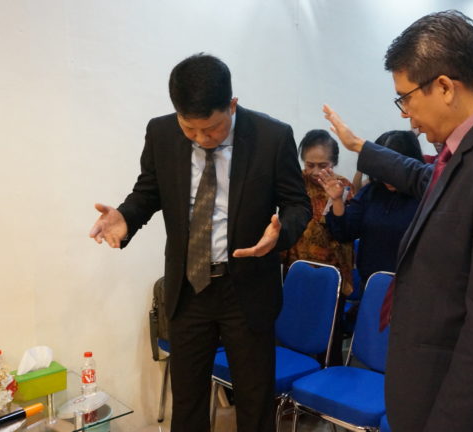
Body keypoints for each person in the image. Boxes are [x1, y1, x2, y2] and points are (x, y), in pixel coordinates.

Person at [322, 10, 473, 432]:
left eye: (406, 97)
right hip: (423, 379)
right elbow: (423, 177)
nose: (406, 115)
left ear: (445, 87)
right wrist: (360, 147)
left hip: (448, 399)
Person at [88, 53, 311, 432]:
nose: (201, 139)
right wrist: (125, 217)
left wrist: (281, 233)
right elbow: (148, 191)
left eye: (212, 129)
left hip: (247, 288)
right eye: (190, 129)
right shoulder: (161, 133)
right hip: (188, 287)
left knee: (254, 400)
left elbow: (297, 204)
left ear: (232, 104)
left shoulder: (272, 137)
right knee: (188, 400)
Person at [281, 129, 353, 365]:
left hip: (331, 272)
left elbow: (344, 231)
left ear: (334, 162)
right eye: (309, 164)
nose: (314, 171)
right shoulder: (294, 183)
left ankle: (327, 377)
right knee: (292, 328)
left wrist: (337, 199)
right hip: (296, 268)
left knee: (328, 335)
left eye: (322, 165)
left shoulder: (343, 187)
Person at [321, 131, 423, 292]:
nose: (387, 178)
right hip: (370, 285)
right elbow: (344, 233)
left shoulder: (425, 195)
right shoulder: (371, 192)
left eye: (393, 172)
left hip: (409, 289)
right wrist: (337, 200)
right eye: (382, 171)